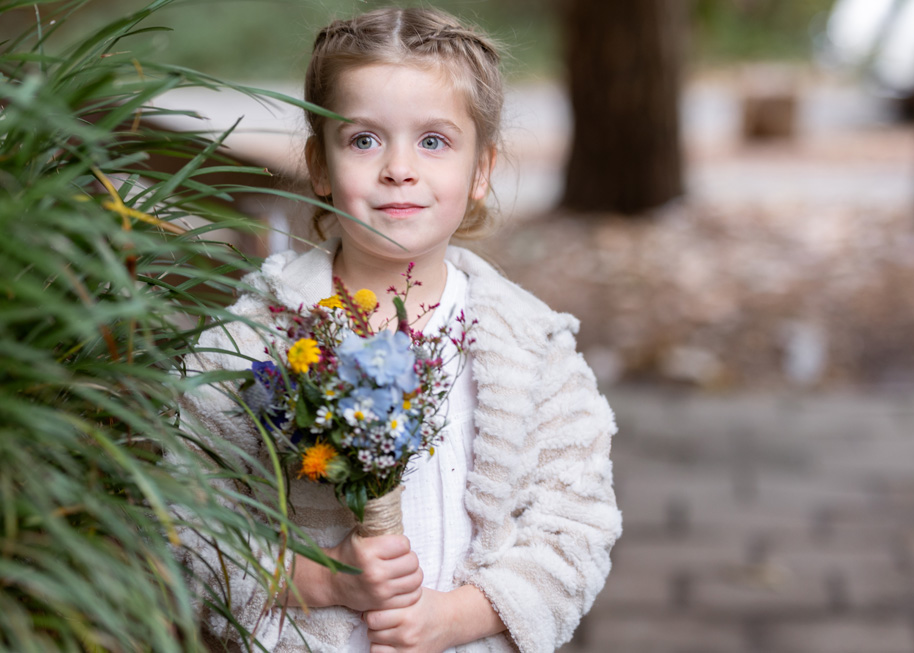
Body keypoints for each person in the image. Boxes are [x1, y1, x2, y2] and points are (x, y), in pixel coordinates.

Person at [177, 7, 621, 652]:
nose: (398, 168)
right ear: (320, 165)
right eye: (364, 140)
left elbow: (576, 528)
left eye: (433, 141)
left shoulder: (530, 346)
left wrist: (456, 617)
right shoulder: (254, 338)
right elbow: (182, 522)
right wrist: (322, 579)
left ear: (481, 170)